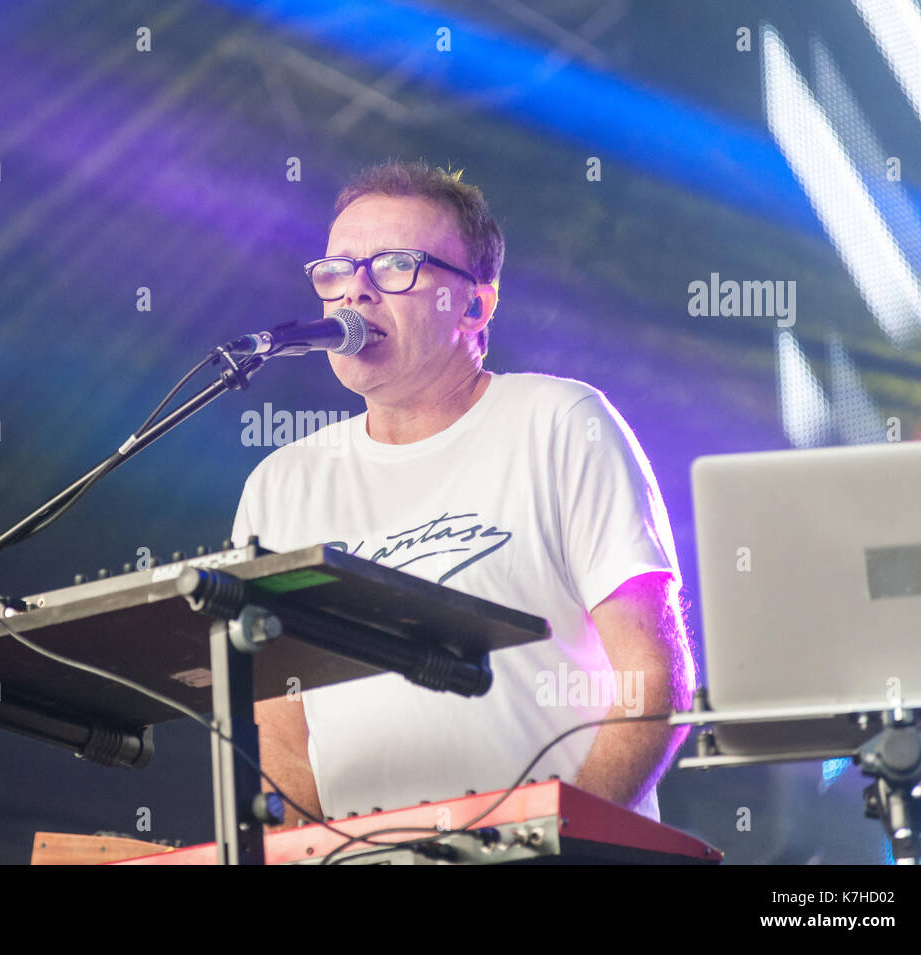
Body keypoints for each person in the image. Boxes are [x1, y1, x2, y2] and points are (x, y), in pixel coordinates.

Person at [230, 160, 695, 827]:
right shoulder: (281, 485)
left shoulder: (559, 421)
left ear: (475, 305)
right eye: (337, 270)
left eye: (396, 266)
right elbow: (281, 733)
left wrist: (554, 842)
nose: (357, 290)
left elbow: (653, 679)